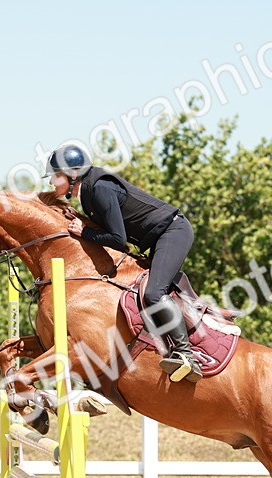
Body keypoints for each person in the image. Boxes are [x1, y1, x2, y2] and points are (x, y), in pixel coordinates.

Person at [44, 144, 203, 383]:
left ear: (72, 174)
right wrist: (81, 221)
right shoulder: (88, 192)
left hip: (173, 231)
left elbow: (118, 241)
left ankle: (186, 355)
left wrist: (85, 232)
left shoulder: (98, 188)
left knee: (153, 293)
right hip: (158, 238)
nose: (51, 183)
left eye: (55, 177)